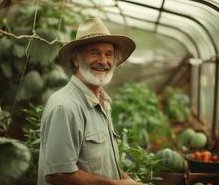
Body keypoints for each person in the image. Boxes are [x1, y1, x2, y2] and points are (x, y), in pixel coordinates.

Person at [37, 17, 143, 185]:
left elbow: (100, 164)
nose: (103, 61)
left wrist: (126, 180)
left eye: (109, 54)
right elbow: (58, 174)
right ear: (76, 59)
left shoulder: (102, 101)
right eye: (94, 53)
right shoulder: (65, 106)